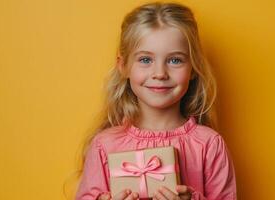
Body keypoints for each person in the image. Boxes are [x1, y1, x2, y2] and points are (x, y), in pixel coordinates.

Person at [75, 2, 237, 200]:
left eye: (175, 60)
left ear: (193, 68)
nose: (160, 74)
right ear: (123, 66)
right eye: (145, 59)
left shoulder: (209, 145)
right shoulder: (103, 145)